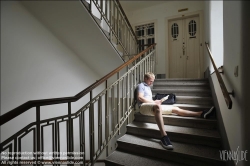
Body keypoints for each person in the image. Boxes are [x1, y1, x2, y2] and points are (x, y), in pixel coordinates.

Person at [137, 72, 214, 150]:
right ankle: (164, 136)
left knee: (175, 108)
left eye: (153, 81)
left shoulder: (148, 87)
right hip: (143, 107)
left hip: (151, 105)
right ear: (145, 79)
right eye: (150, 81)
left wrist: (156, 101)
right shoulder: (141, 85)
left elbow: (149, 100)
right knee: (157, 106)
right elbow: (140, 98)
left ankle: (201, 114)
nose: (151, 83)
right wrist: (154, 102)